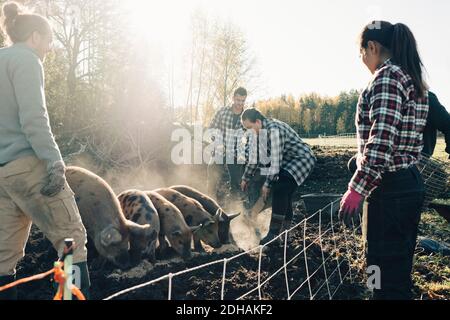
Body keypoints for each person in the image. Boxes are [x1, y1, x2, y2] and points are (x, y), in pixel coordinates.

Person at [0, 2, 89, 299]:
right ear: (35, 36)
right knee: (71, 240)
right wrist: (54, 162)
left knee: (3, 257)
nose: (49, 48)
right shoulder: (26, 59)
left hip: (3, 176)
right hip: (29, 165)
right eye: (49, 41)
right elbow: (34, 119)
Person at [339, 21, 429, 300]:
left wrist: (357, 189)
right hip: (406, 184)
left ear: (373, 47)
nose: (362, 60)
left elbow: (380, 145)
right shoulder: (410, 77)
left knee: (377, 267)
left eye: (362, 53)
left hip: (389, 191)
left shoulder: (387, 78)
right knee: (397, 268)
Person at [240, 108, 316, 245]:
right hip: (286, 163)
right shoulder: (258, 134)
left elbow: (275, 161)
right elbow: (254, 158)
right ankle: (285, 235)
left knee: (280, 188)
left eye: (249, 128)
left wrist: (266, 185)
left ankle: (273, 235)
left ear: (257, 122)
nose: (249, 132)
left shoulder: (274, 130)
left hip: (301, 159)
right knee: (284, 194)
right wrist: (245, 177)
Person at [207, 87, 247, 203]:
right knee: (213, 174)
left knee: (236, 181)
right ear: (233, 98)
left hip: (235, 154)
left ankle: (233, 206)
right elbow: (212, 129)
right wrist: (218, 142)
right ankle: (210, 202)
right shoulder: (222, 112)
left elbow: (248, 137)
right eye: (238, 100)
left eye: (242, 101)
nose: (240, 103)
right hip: (219, 150)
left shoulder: (246, 117)